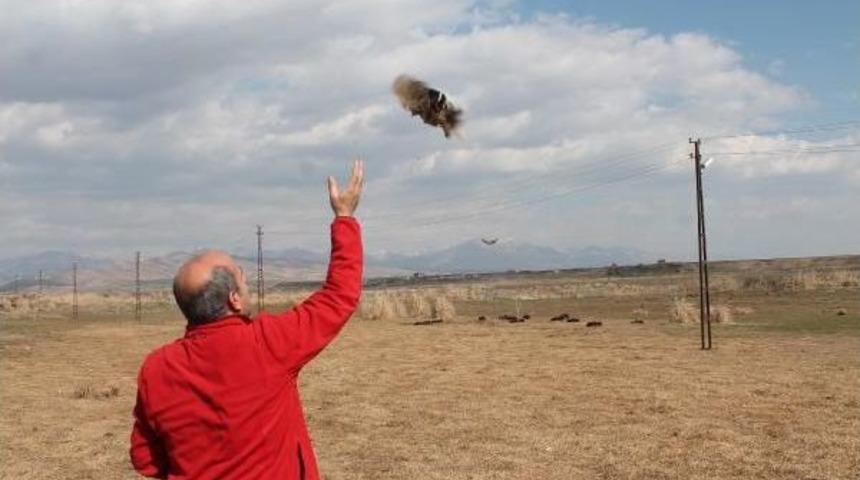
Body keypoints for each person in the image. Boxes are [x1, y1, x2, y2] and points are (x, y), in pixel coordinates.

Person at [130, 160, 365, 479]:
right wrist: (344, 218)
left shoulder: (156, 369)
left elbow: (145, 459)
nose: (246, 283)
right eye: (242, 277)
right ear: (234, 298)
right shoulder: (267, 342)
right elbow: (339, 295)